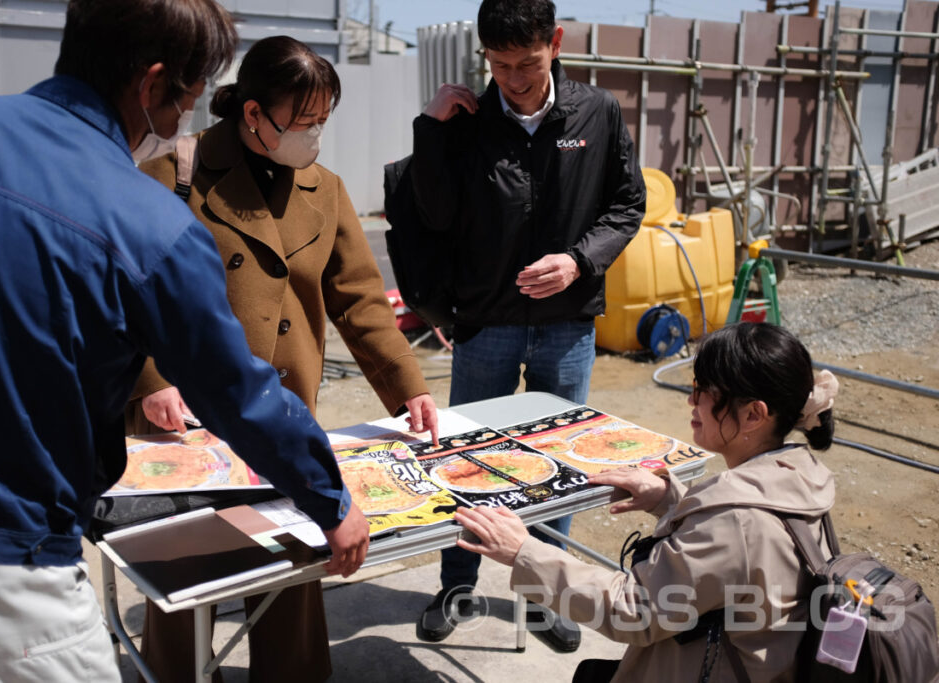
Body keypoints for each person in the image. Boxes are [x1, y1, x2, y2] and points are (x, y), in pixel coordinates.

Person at [0, 2, 370, 681]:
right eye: (187, 99)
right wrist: (330, 498)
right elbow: (234, 390)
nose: (185, 120)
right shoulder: (147, 219)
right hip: (7, 563)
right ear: (152, 85)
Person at [127, 35, 440, 683]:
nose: (315, 136)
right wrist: (150, 381)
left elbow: (357, 298)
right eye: (302, 122)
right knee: (190, 568)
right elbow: (126, 288)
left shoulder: (325, 189)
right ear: (251, 114)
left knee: (293, 555)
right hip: (189, 412)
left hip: (287, 406)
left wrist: (406, 384)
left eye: (323, 121)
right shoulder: (173, 174)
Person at [410, 0, 645, 651]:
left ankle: (551, 593)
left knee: (559, 462)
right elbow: (432, 211)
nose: (513, 78)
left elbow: (628, 204)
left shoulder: (595, 113)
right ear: (484, 54)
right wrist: (430, 130)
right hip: (486, 323)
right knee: (466, 460)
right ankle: (457, 583)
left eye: (528, 63)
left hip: (567, 325)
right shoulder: (467, 119)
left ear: (556, 43)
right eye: (500, 63)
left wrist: (578, 261)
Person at [455, 322, 840, 682]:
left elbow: (633, 611)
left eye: (704, 392)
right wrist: (671, 499)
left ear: (754, 414)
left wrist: (524, 551)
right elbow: (740, 559)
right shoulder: (801, 476)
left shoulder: (736, 521)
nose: (691, 402)